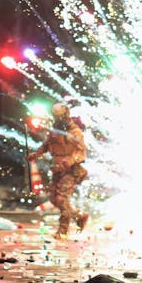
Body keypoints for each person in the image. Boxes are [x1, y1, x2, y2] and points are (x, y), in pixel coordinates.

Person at [27, 102, 89, 240]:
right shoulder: (55, 131)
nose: (59, 119)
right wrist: (35, 154)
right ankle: (79, 215)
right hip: (57, 169)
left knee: (62, 198)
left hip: (71, 170)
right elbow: (47, 145)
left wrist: (68, 163)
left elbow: (81, 151)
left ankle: (63, 230)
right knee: (54, 199)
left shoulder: (74, 132)